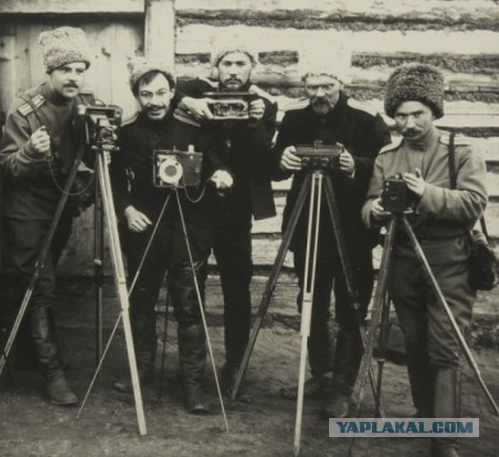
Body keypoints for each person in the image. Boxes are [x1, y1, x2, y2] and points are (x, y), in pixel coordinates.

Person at [362, 64, 487, 457]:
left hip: (450, 259)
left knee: (445, 346)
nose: (409, 122)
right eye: (400, 115)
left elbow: (474, 202)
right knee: (414, 341)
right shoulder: (387, 156)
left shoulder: (460, 151)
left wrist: (427, 193)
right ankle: (425, 412)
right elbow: (368, 204)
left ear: (434, 111)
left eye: (418, 113)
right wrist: (377, 211)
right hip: (402, 258)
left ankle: (444, 437)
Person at [110, 61, 233, 413]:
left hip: (186, 229)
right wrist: (126, 211)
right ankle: (142, 372)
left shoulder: (193, 128)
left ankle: (193, 385)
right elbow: (114, 177)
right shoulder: (126, 132)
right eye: (146, 93)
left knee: (189, 308)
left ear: (172, 92)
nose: (154, 100)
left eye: (161, 92)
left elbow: (218, 163)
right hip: (144, 229)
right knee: (141, 302)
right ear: (137, 96)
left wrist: (223, 175)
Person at [272, 50, 390, 417]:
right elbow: (273, 168)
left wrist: (356, 164)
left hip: (352, 231)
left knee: (351, 305)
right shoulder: (292, 119)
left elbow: (386, 166)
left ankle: (342, 387)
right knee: (309, 303)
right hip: (306, 226)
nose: (320, 94)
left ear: (342, 84)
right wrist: (283, 160)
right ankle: (321, 374)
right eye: (312, 86)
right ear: (304, 87)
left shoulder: (366, 121)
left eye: (327, 85)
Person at [0, 26, 97, 406]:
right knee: (40, 285)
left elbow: (91, 155)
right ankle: (52, 374)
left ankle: (24, 352)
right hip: (26, 214)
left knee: (38, 281)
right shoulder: (24, 110)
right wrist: (30, 153)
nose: (74, 77)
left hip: (62, 209)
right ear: (50, 72)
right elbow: (7, 168)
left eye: (79, 69)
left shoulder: (84, 105)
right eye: (66, 70)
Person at [176, 36, 277, 394]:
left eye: (240, 64)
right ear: (215, 68)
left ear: (252, 68)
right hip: (198, 204)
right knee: (192, 284)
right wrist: (188, 101)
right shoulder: (195, 91)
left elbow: (263, 160)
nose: (233, 71)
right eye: (227, 64)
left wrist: (255, 124)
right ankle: (192, 365)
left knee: (237, 286)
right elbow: (162, 87)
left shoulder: (263, 104)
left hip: (237, 210)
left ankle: (236, 364)